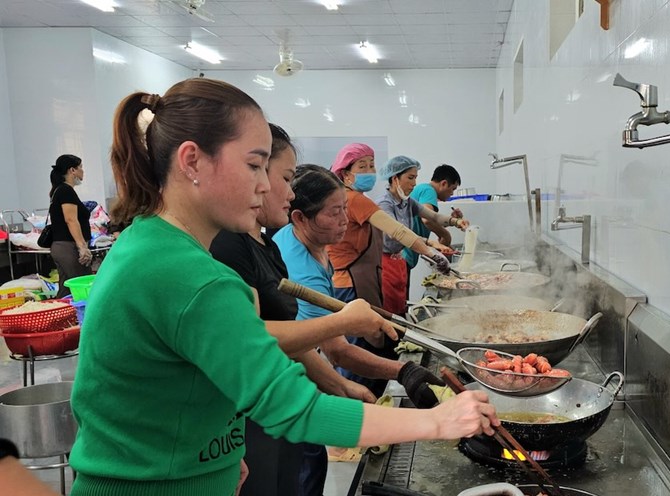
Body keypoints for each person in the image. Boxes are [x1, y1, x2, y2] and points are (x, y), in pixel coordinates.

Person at [68, 78, 498, 496]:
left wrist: (216, 451)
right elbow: (296, 408)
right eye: (254, 165)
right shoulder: (191, 275)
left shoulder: (147, 242)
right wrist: (441, 421)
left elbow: (154, 386)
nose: (267, 185)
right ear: (192, 161)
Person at [211, 124, 431, 496]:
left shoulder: (268, 245)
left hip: (284, 399)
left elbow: (293, 345)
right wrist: (429, 413)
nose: (284, 191)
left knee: (302, 472)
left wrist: (339, 385)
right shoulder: (226, 248)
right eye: (281, 177)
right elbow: (255, 340)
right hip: (256, 414)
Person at [272, 163, 447, 496]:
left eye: (344, 210)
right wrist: (404, 371)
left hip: (297, 370)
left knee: (309, 458)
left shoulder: (310, 243)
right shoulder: (302, 271)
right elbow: (336, 349)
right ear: (300, 218)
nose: (344, 220)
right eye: (334, 213)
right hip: (283, 383)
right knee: (306, 464)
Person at [326, 143, 452, 394]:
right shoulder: (355, 200)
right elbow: (396, 230)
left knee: (370, 343)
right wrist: (430, 251)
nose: (370, 171)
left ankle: (367, 399)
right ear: (345, 173)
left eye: (372, 165)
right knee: (361, 349)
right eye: (362, 166)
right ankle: (360, 405)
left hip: (359, 281)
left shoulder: (351, 197)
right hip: (353, 284)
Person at [377, 156, 468, 316]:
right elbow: (397, 233)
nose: (414, 184)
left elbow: (433, 216)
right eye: (410, 178)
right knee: (390, 312)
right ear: (395, 178)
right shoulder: (385, 204)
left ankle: (399, 336)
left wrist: (456, 221)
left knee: (401, 306)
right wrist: (431, 243)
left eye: (415, 178)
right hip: (386, 263)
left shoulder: (407, 202)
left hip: (399, 261)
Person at [402, 163, 468, 271]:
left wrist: (452, 222)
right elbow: (427, 220)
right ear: (444, 183)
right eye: (452, 189)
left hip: (404, 255)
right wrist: (445, 235)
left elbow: (429, 219)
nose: (452, 193)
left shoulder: (423, 189)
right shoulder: (429, 191)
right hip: (403, 255)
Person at [48, 154, 92, 298]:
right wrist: (82, 247)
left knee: (66, 290)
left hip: (61, 247)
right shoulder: (66, 191)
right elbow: (71, 220)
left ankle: (59, 318)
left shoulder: (59, 190)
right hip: (68, 247)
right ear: (72, 170)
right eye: (81, 167)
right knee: (83, 287)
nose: (83, 171)